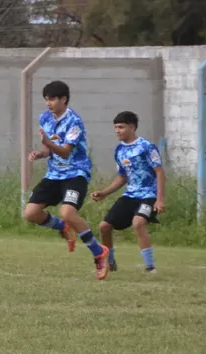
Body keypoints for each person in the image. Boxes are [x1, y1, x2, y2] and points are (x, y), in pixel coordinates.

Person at [22, 80, 110, 280]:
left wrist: (48, 145)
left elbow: (64, 151)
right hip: (54, 174)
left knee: (67, 212)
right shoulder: (45, 117)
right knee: (30, 213)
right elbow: (50, 149)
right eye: (46, 99)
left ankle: (98, 253)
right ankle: (62, 227)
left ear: (64, 99)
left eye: (52, 99)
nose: (48, 103)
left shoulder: (74, 122)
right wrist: (41, 153)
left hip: (75, 173)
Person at [91, 111, 165, 274]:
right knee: (104, 226)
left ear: (132, 127)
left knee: (138, 223)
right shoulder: (119, 150)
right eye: (116, 127)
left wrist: (160, 199)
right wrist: (105, 192)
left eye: (121, 127)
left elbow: (159, 172)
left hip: (148, 195)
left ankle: (150, 267)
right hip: (130, 195)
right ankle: (110, 262)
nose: (117, 130)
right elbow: (123, 177)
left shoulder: (146, 147)